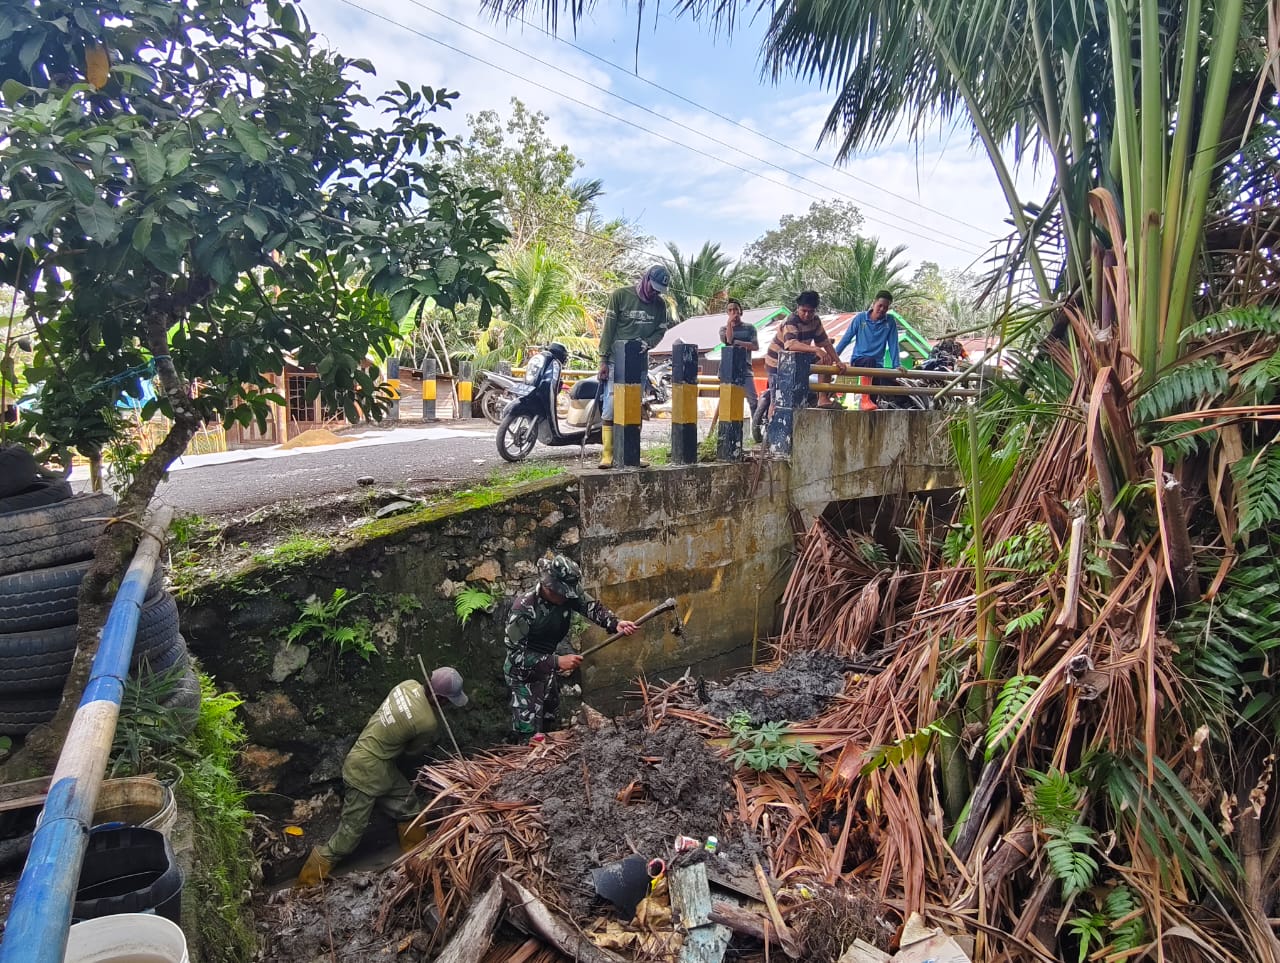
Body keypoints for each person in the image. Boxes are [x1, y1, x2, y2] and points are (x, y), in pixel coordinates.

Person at [297, 667, 470, 886]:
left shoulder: (407, 684)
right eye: (446, 702)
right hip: (366, 770)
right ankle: (305, 884)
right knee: (348, 836)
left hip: (371, 759)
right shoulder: (427, 722)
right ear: (437, 697)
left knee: (409, 808)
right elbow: (411, 751)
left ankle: (417, 861)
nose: (446, 706)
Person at [505, 554, 637, 741]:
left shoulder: (567, 594)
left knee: (550, 717)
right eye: (562, 593)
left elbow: (590, 606)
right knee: (528, 733)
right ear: (548, 586)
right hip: (524, 676)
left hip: (547, 670)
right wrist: (557, 661)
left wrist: (615, 623)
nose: (567, 597)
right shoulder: (524, 609)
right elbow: (515, 656)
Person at [597, 265, 676, 469]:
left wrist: (648, 343)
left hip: (638, 365)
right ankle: (607, 454)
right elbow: (608, 329)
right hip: (616, 361)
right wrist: (603, 360)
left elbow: (660, 332)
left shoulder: (660, 306)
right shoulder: (621, 296)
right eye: (654, 287)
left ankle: (632, 453)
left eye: (659, 289)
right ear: (646, 279)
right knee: (611, 408)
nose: (655, 292)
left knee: (634, 409)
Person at [763, 290, 845, 412]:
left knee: (826, 359)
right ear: (798, 308)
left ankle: (822, 398)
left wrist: (838, 362)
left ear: (815, 311)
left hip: (800, 360)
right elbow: (791, 344)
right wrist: (815, 349)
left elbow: (825, 343)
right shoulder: (791, 320)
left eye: (810, 312)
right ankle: (772, 422)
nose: (807, 315)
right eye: (804, 311)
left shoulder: (816, 321)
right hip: (777, 363)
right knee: (778, 402)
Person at [835, 290, 901, 411]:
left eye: (885, 307)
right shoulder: (860, 318)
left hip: (877, 365)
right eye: (880, 305)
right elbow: (846, 338)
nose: (882, 309)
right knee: (869, 362)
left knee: (874, 399)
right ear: (874, 303)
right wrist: (834, 356)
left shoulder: (890, 321)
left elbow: (893, 344)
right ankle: (864, 399)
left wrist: (897, 365)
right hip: (859, 359)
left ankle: (868, 408)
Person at [718, 298, 759, 420]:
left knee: (753, 400)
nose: (733, 312)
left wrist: (739, 343)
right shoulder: (723, 329)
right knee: (728, 400)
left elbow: (755, 346)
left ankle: (756, 428)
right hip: (728, 369)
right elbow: (729, 341)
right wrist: (729, 323)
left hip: (745, 368)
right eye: (730, 310)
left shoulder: (750, 328)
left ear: (740, 311)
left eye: (735, 309)